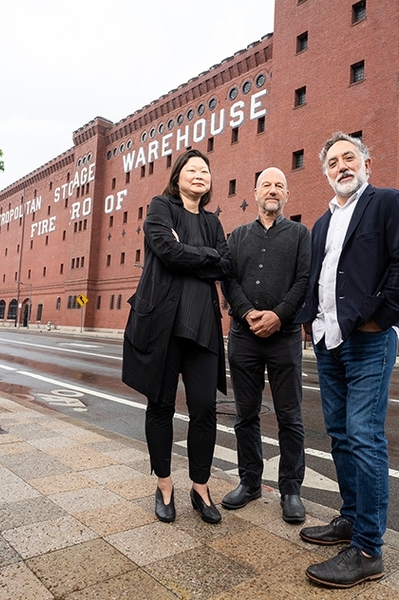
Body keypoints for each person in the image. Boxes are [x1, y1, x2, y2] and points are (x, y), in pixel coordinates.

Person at [295, 132, 399, 588]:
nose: (341, 166)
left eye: (349, 158)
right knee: (339, 435)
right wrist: (311, 322)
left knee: (364, 436)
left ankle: (369, 549)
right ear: (326, 173)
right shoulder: (321, 223)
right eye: (333, 162)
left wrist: (379, 319)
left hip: (368, 340)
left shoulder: (387, 202)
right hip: (328, 340)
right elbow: (318, 277)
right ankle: (350, 519)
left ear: (367, 164)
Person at [122, 149, 231, 525]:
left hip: (203, 328)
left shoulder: (213, 221)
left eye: (205, 171)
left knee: (204, 408)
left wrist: (192, 253)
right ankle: (164, 485)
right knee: (160, 406)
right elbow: (166, 252)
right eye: (192, 169)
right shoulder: (160, 207)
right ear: (178, 176)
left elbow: (226, 264)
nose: (199, 175)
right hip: (162, 327)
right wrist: (207, 256)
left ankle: (200, 487)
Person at [220, 167, 311, 523]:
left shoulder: (300, 235)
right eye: (266, 185)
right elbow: (228, 279)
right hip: (244, 337)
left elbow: (304, 280)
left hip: (284, 337)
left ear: (287, 195)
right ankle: (250, 482)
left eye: (279, 186)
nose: (272, 190)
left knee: (290, 416)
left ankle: (291, 490)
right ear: (256, 193)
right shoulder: (238, 236)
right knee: (245, 414)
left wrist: (278, 315)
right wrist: (246, 312)